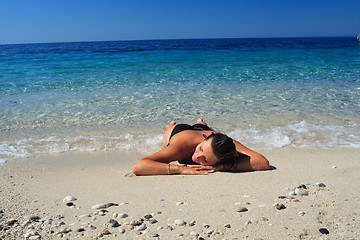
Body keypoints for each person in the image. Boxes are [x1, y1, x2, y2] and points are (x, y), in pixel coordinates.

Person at [132, 118, 270, 175]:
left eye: (205, 160)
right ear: (206, 138)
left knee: (202, 126)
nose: (197, 156)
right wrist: (181, 169)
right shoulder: (181, 147)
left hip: (204, 132)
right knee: (169, 130)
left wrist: (220, 167)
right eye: (201, 149)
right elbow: (139, 166)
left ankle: (201, 124)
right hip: (180, 132)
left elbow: (262, 162)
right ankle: (173, 124)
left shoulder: (225, 143)